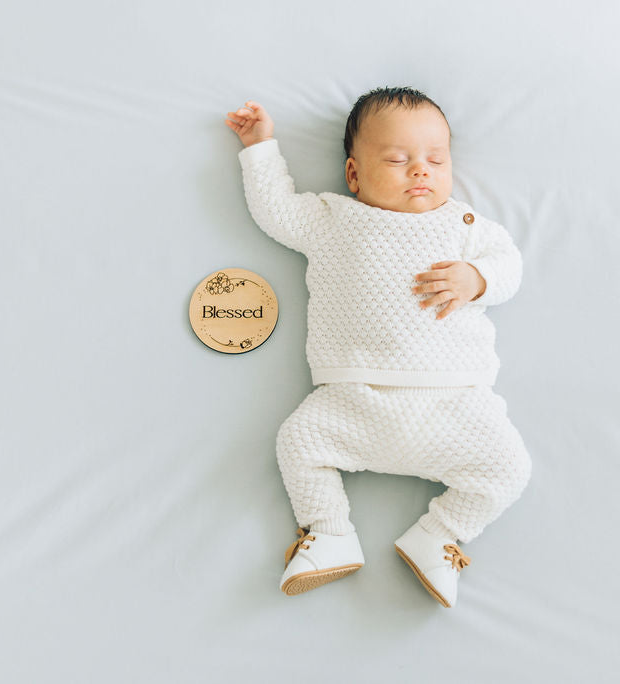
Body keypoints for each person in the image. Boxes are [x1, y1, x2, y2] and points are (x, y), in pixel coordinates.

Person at [225, 86, 530, 608]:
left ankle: (439, 535)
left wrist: (476, 278)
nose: (420, 171)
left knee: (509, 469)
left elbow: (510, 267)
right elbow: (275, 211)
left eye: (436, 159)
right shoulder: (332, 219)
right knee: (297, 442)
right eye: (397, 159)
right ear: (353, 175)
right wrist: (259, 146)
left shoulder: (465, 227)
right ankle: (329, 531)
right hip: (352, 398)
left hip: (454, 403)